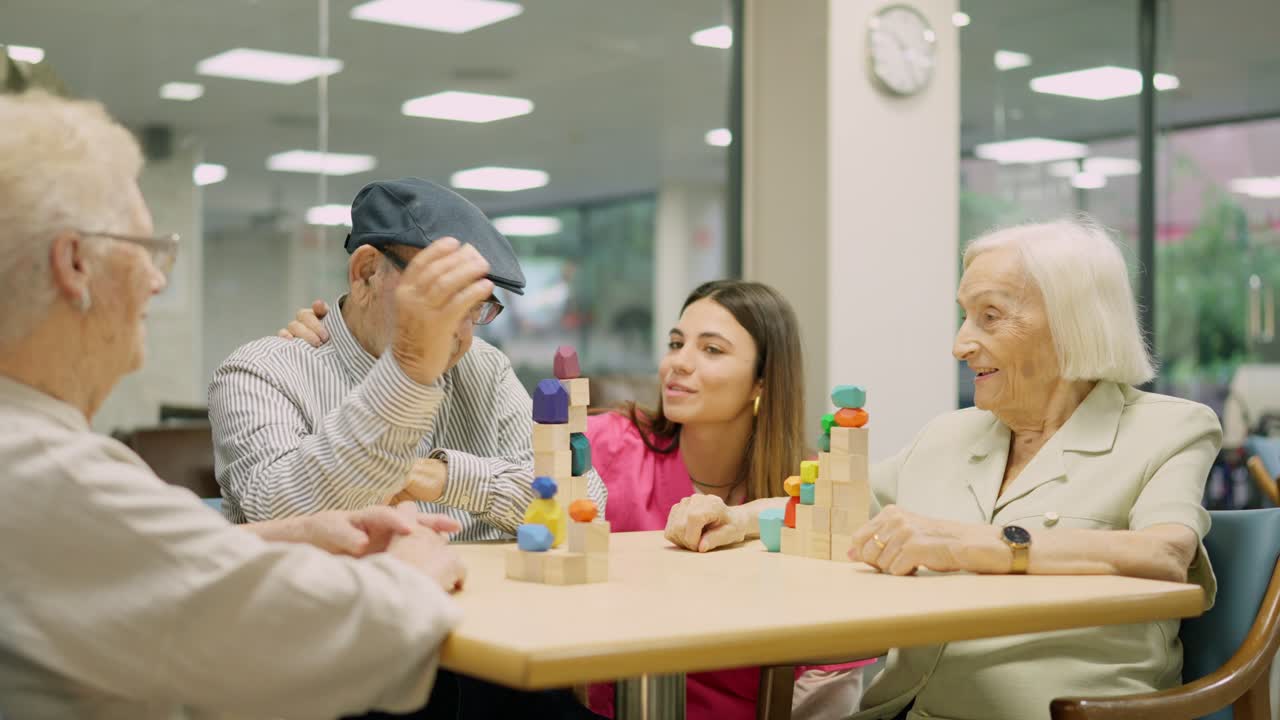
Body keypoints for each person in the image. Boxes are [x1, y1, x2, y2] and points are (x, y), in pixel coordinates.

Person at [0, 90, 468, 719]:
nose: (157, 279)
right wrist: (413, 570)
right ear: (76, 264)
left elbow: (137, 565)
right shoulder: (44, 474)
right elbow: (313, 641)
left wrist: (288, 536)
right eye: (143, 248)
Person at [667, 218, 1221, 720]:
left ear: (1071, 324)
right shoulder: (949, 435)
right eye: (964, 316)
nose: (960, 344)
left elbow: (1165, 554)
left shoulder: (1169, 429)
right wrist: (734, 517)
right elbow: (831, 506)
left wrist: (971, 545)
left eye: (990, 316)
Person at [281, 279, 865, 720]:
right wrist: (336, 335)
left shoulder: (802, 485)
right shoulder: (610, 444)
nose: (679, 363)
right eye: (676, 342)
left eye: (712, 350)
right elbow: (526, 483)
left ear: (763, 381)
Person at [208, 177, 605, 539]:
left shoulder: (485, 368)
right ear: (366, 273)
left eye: (476, 309)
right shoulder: (260, 372)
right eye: (440, 297)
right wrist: (407, 374)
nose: (461, 336)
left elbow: (584, 503)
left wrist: (444, 477)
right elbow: (280, 511)